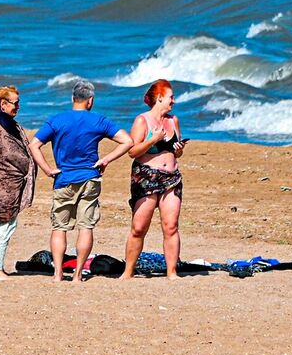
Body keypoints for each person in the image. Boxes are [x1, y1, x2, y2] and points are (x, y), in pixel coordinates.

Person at [29, 79, 131, 286]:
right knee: (86, 226)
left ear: (72, 98)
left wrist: (48, 169)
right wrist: (106, 160)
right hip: (89, 178)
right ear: (90, 101)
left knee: (60, 227)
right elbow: (127, 141)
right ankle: (77, 275)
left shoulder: (58, 120)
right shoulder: (98, 121)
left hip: (64, 178)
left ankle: (58, 273)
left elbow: (34, 145)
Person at [96, 79, 188, 279]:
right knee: (139, 227)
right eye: (171, 97)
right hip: (146, 176)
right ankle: (128, 271)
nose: (174, 101)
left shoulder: (174, 120)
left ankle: (172, 272)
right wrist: (152, 140)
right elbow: (133, 151)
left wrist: (178, 150)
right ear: (160, 98)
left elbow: (175, 152)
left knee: (171, 226)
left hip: (171, 177)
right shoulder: (142, 120)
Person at [0, 85, 52, 280]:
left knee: (5, 224)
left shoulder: (4, 121)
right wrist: (29, 163)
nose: (18, 106)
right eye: (15, 103)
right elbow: (8, 153)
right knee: (6, 224)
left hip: (7, 179)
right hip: (6, 181)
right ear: (3, 104)